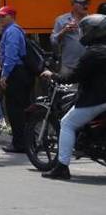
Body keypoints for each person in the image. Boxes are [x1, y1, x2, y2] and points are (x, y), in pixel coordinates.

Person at [40, 14, 106, 180]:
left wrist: (53, 75)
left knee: (67, 123)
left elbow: (72, 77)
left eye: (84, 30)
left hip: (97, 99)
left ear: (92, 32)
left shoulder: (92, 54)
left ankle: (62, 167)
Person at [0, 6, 35, 153]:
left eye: (3, 16)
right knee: (22, 108)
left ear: (12, 16)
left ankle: (20, 143)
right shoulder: (12, 30)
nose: (0, 19)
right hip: (20, 73)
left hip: (16, 73)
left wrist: (5, 75)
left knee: (15, 110)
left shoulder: (12, 31)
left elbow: (11, 56)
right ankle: (25, 142)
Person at [50, 0, 91, 76]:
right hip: (69, 66)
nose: (85, 5)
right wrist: (64, 31)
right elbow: (53, 41)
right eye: (82, 3)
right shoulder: (62, 20)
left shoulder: (92, 21)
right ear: (73, 4)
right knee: (67, 88)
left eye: (87, 3)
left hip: (89, 65)